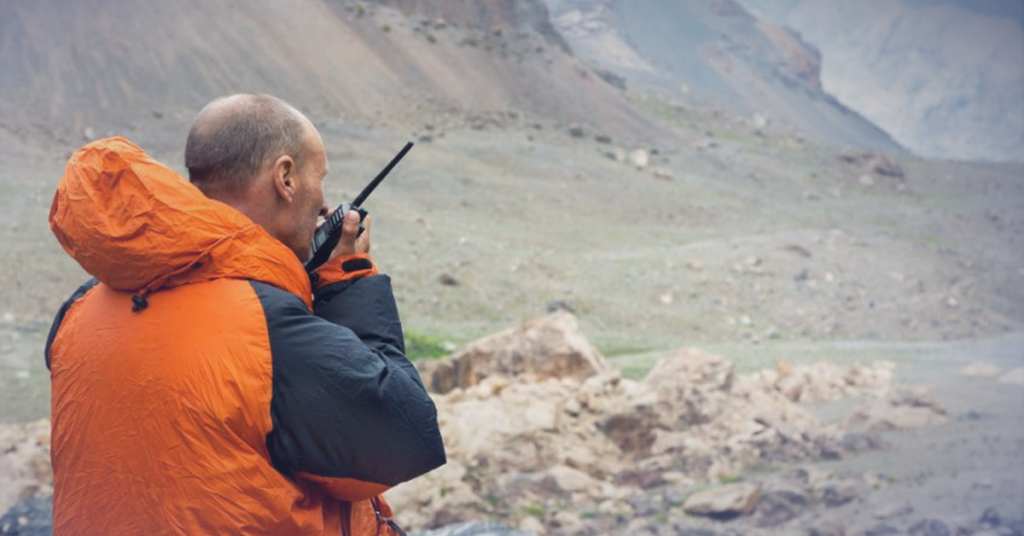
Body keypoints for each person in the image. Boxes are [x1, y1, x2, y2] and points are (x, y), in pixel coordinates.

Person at [45, 94, 446, 535]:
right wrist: (349, 282)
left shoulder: (80, 309)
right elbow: (404, 438)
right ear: (286, 178)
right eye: (320, 177)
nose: (324, 202)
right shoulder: (267, 327)